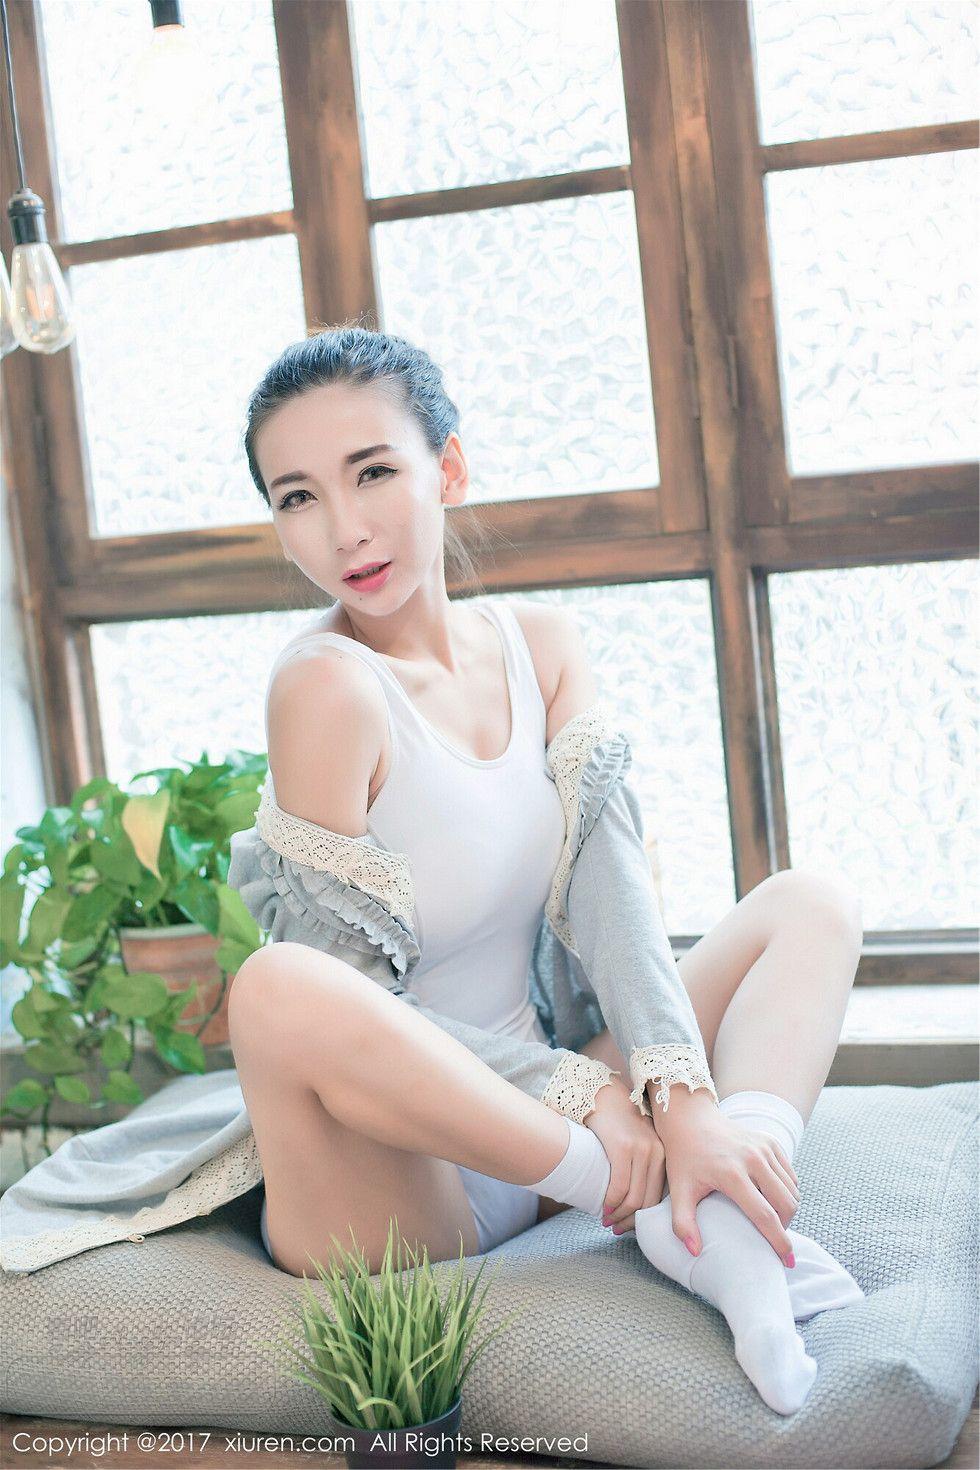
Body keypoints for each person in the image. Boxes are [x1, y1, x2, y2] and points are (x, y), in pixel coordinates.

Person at [231, 324, 866, 1416]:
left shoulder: (539, 646)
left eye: (372, 472)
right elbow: (351, 1003)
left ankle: (724, 1209)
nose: (344, 529)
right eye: (298, 497)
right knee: (277, 985)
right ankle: (628, 1192)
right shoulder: (325, 689)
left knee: (811, 906)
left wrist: (680, 1098)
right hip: (413, 1170)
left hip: (569, 1104)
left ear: (449, 468)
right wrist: (588, 1099)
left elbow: (611, 891)